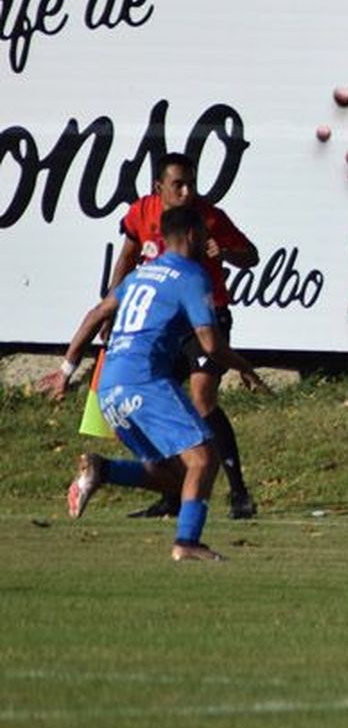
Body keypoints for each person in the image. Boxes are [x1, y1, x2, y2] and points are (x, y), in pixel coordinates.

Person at [40, 206, 251, 562]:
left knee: (176, 477)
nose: (206, 238)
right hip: (145, 382)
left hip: (109, 389)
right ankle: (186, 542)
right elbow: (211, 344)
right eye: (202, 231)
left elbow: (96, 315)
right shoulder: (191, 274)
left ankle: (103, 469)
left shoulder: (141, 274)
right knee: (203, 458)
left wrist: (66, 369)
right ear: (190, 235)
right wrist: (246, 367)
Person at [111, 153, 261, 520]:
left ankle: (239, 493)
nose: (187, 190)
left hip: (205, 321)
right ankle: (172, 493)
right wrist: (114, 305)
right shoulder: (140, 213)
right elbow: (128, 256)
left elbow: (250, 256)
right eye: (178, 183)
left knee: (201, 397)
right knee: (156, 404)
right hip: (164, 327)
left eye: (191, 182)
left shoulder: (208, 217)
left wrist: (224, 251)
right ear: (158, 187)